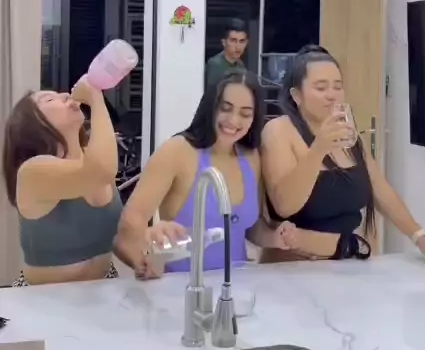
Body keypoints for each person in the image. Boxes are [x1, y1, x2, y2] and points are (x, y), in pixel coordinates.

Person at [260, 45, 425, 268]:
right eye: (321, 87)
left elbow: (380, 190)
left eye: (338, 86)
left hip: (344, 263)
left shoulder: (347, 133)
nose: (331, 95)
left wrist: (420, 237)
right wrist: (318, 149)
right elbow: (285, 205)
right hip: (291, 266)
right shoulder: (279, 130)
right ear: (297, 95)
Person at [116, 71, 296, 276]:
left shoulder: (251, 157)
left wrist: (275, 237)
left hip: (237, 285)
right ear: (211, 106)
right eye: (225, 108)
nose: (233, 120)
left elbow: (250, 228)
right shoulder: (177, 152)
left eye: (245, 114)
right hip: (181, 286)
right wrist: (144, 261)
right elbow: (128, 228)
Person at [2, 78, 127, 286]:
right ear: (32, 127)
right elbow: (101, 172)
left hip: (103, 290)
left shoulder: (92, 159)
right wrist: (96, 99)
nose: (66, 95)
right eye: (49, 99)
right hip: (42, 298)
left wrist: (142, 256)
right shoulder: (32, 172)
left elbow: (117, 239)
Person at [205, 18, 249, 87]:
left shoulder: (240, 65)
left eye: (241, 41)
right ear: (224, 42)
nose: (238, 46)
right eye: (233, 41)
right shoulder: (215, 65)